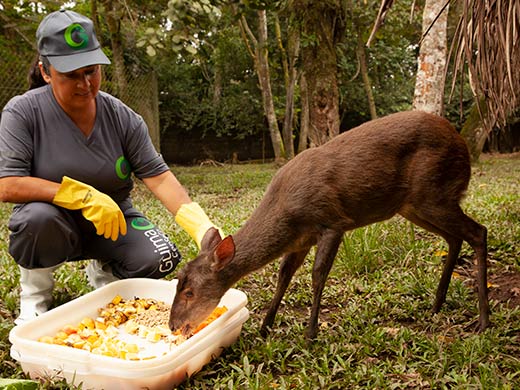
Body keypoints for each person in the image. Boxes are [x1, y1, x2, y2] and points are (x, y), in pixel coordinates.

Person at [0, 10, 221, 325]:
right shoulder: (23, 112)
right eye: (70, 75)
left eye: (91, 71)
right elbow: (8, 185)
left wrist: (204, 228)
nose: (85, 84)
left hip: (112, 222)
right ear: (45, 72)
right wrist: (83, 196)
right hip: (52, 222)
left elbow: (159, 179)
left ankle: (105, 270)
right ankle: (36, 295)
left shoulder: (122, 117)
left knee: (162, 257)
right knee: (37, 220)